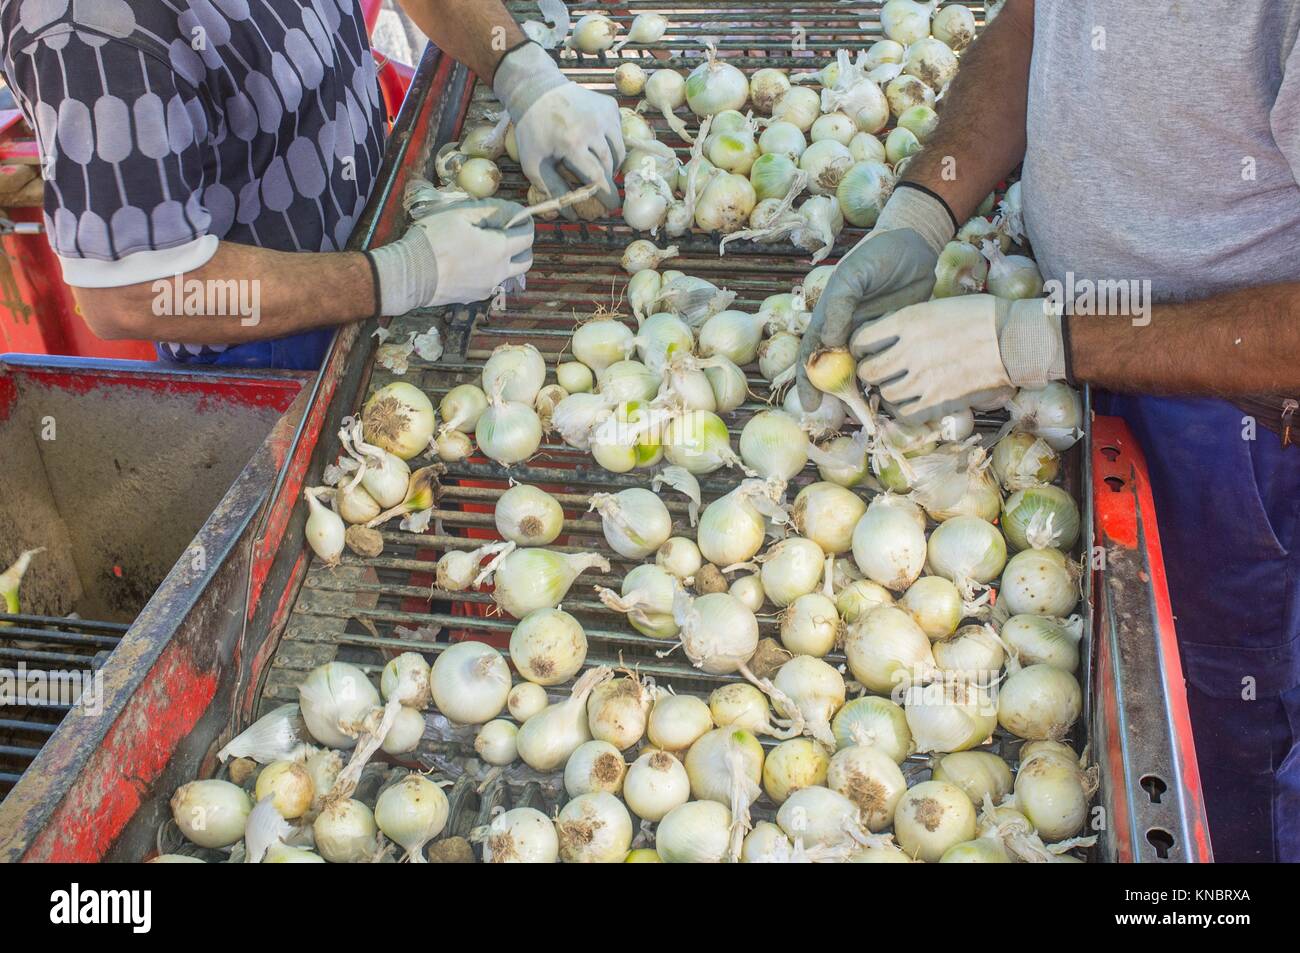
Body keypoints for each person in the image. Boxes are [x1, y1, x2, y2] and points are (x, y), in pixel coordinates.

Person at [798, 0, 1300, 862]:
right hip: (1081, 370)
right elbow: (1038, 25)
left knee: (1225, 721)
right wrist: (924, 208)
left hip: (1235, 428)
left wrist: (1038, 337)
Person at [0, 0, 622, 368]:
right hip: (267, 347)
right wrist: (396, 275)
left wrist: (521, 71)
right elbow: (135, 296)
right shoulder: (84, 26)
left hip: (389, 218)